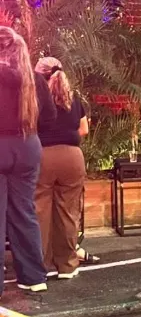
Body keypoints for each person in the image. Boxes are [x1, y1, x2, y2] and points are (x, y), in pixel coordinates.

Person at [0, 26, 56, 295]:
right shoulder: (36, 80)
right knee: (24, 212)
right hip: (28, 145)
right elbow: (49, 118)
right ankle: (34, 277)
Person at [33, 58, 89, 280]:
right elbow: (83, 129)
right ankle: (67, 265)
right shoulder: (72, 97)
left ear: (40, 75)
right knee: (68, 212)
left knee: (40, 213)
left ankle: (40, 266)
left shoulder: (34, 98)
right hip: (72, 157)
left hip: (43, 156)